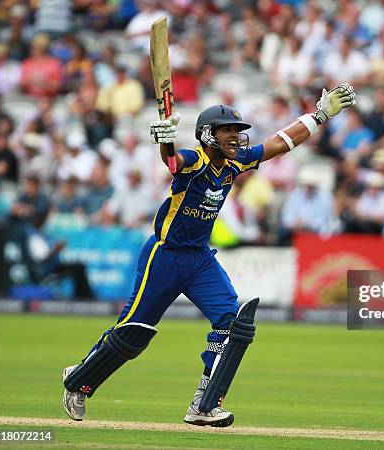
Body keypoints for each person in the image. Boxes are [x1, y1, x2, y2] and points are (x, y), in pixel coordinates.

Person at [62, 83, 357, 426]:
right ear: (208, 134)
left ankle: (204, 404)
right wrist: (166, 140)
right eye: (227, 130)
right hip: (165, 256)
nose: (235, 136)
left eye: (237, 130)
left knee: (232, 324)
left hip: (199, 259)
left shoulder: (236, 163)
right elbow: (173, 161)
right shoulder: (195, 160)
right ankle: (78, 382)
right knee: (134, 331)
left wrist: (319, 115)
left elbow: (278, 143)